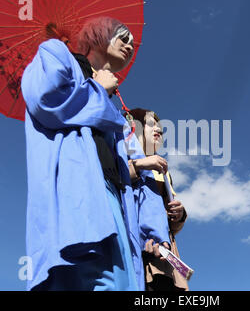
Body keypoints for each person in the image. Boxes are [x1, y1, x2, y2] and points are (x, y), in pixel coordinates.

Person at [21, 16, 170, 291]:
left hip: (115, 201)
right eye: (121, 36)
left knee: (120, 283)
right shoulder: (56, 54)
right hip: (80, 193)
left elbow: (116, 165)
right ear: (99, 36)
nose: (129, 44)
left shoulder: (114, 108)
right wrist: (97, 89)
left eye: (132, 42)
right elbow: (46, 99)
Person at [126, 108, 189, 291]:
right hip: (135, 249)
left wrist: (179, 215)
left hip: (165, 256)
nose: (159, 131)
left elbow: (172, 225)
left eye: (161, 128)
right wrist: (137, 166)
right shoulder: (121, 156)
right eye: (151, 125)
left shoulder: (162, 171)